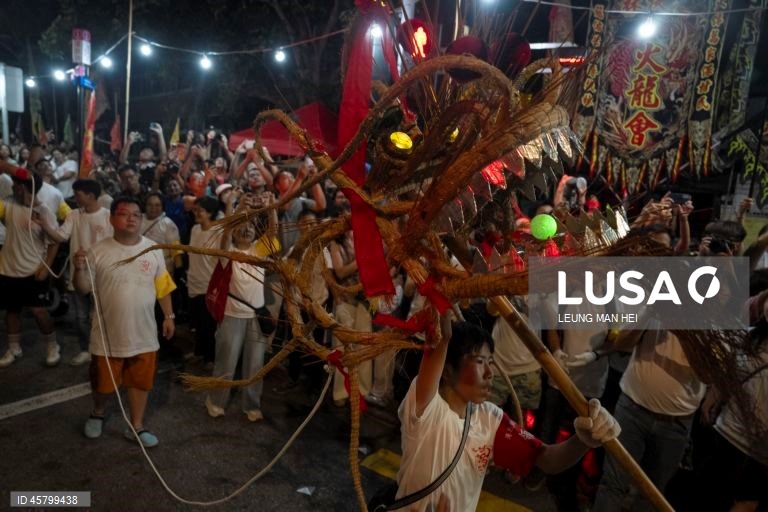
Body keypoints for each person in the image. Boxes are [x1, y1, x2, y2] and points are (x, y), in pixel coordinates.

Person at [396, 316, 620, 511]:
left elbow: (547, 459)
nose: (489, 373)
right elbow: (441, 337)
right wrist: (441, 300)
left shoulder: (490, 418)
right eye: (480, 362)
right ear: (446, 370)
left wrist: (583, 441)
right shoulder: (425, 408)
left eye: (490, 362)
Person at [73, 197, 176, 448]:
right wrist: (79, 269)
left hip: (144, 334)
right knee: (102, 384)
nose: (131, 218)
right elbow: (83, 288)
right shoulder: (97, 251)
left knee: (140, 383)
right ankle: (98, 412)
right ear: (111, 219)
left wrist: (169, 316)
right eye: (124, 213)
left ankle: (136, 426)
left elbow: (163, 285)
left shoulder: (153, 248)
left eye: (136, 214)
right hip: (107, 336)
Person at [205, 192, 279, 421]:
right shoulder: (227, 253)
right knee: (226, 362)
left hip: (255, 316)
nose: (246, 230)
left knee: (255, 365)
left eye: (250, 226)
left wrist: (271, 208)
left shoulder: (258, 251)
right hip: (232, 314)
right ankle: (216, 401)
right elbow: (226, 232)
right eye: (241, 227)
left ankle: (252, 405)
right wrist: (235, 209)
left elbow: (273, 232)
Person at [35, 179, 113, 365]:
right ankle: (86, 350)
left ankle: (104, 350)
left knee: (101, 315)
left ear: (90, 196)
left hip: (102, 274)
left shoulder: (109, 216)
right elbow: (60, 237)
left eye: (78, 194)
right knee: (80, 316)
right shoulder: (74, 215)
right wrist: (45, 225)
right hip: (78, 274)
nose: (75, 198)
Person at [0, 169, 61, 368]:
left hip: (33, 270)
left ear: (23, 188)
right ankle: (14, 348)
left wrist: (46, 267)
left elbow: (54, 243)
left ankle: (52, 345)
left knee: (38, 311)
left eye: (16, 186)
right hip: (8, 269)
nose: (12, 189)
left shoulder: (44, 211)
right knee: (12, 311)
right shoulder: (8, 205)